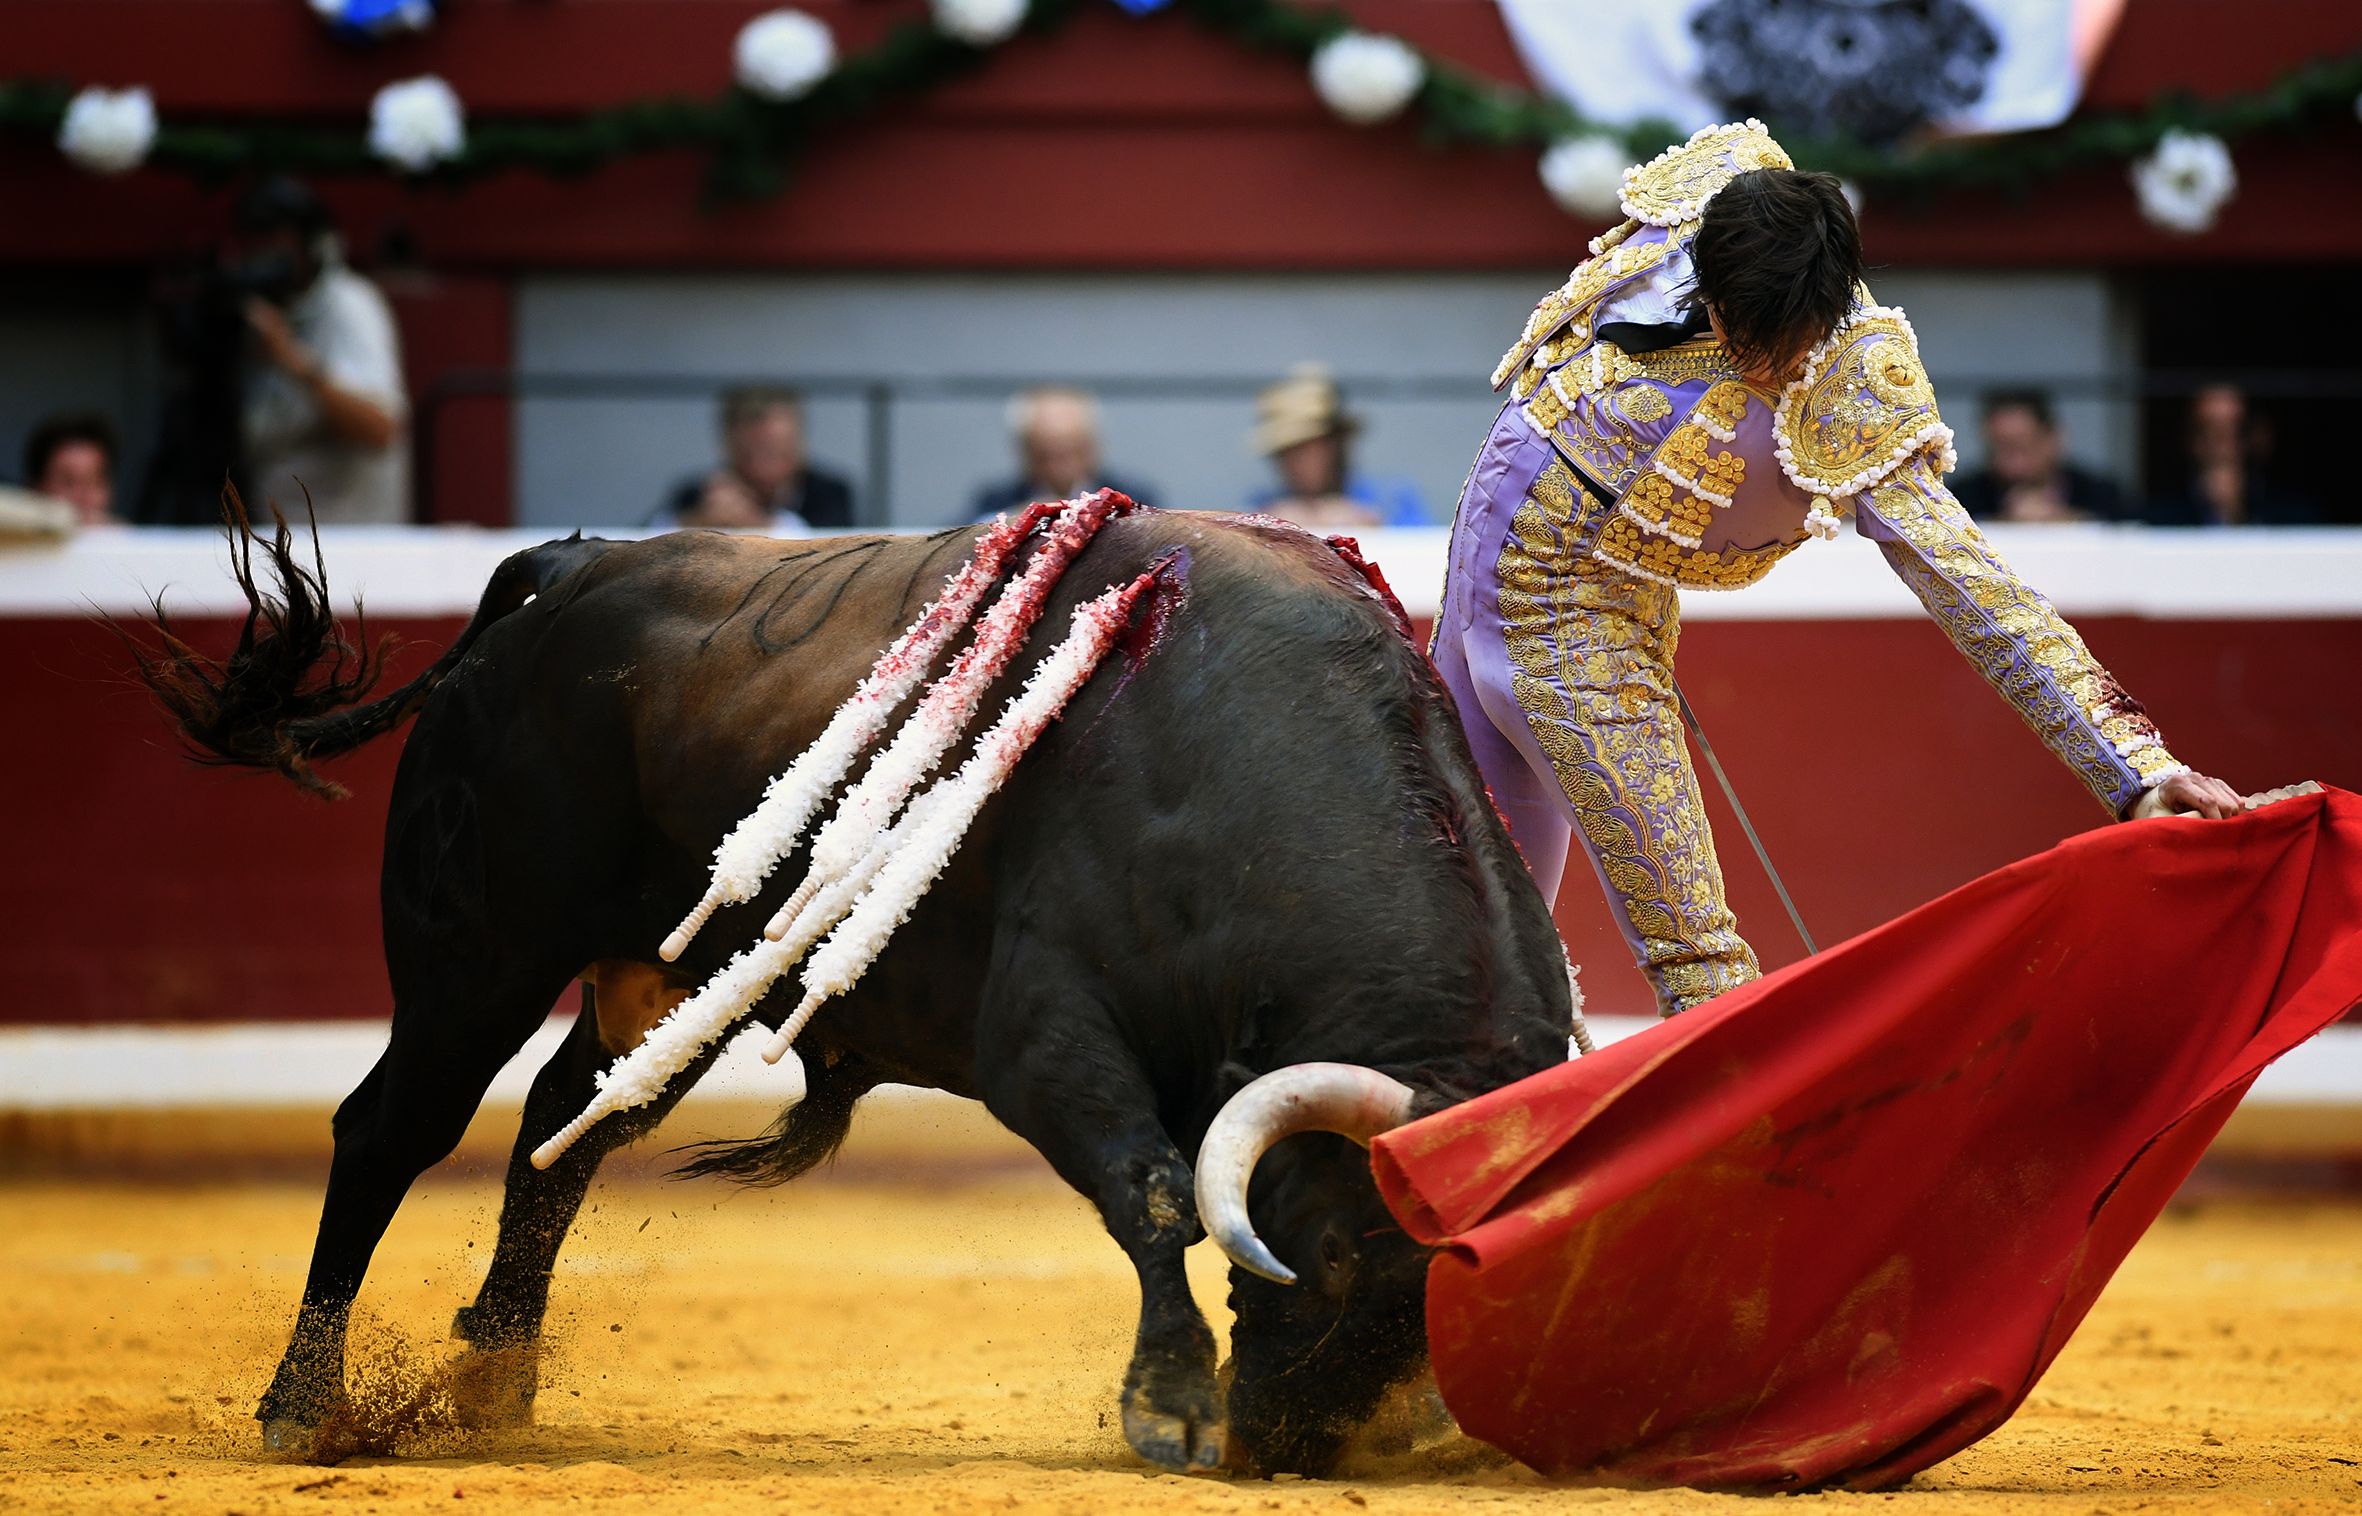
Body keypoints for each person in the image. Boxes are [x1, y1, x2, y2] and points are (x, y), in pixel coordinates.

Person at [1430, 120, 2245, 1018]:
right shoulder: (1728, 192)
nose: (1763, 362)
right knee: (1447, 908)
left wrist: (2133, 767)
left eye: (1785, 341)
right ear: (1708, 281)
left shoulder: (1859, 392)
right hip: (1480, 556)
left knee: (1696, 960)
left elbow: (1977, 589)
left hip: (1585, 621)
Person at [234, 177, 410, 524]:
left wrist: (290, 360)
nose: (262, 258)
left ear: (310, 245)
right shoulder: (260, 314)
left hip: (349, 554)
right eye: (253, 244)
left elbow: (380, 427)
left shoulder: (349, 304)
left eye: (275, 243)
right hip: (281, 549)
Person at [1246, 365, 1428, 528]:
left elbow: (1425, 550)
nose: (1296, 463)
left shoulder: (1393, 500)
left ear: (1337, 444)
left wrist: (1376, 526)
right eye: (1286, 452)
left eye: (1307, 447)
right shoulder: (1261, 508)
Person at [654, 385, 854, 532]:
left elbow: (835, 549)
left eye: (776, 452)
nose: (762, 467)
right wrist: (696, 522)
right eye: (749, 454)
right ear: (728, 447)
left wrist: (759, 524)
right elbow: (641, 539)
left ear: (799, 443)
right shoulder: (698, 494)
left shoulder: (831, 493)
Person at [2144, 384, 2319, 526]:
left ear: (2258, 436)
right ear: (2190, 439)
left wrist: (2236, 513)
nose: (2222, 444)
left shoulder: (2293, 514)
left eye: (2235, 429)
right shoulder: (2159, 516)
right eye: (2209, 430)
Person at [971, 386, 1154, 520]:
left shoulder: (1133, 496)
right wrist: (1008, 520)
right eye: (1046, 455)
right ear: (1025, 451)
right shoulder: (996, 500)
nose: (1059, 468)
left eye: (1072, 452)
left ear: (1092, 446)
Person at [1951, 389, 2128, 523]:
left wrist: (2069, 521)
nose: (2015, 464)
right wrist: (2004, 524)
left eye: (2023, 447)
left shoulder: (2100, 494)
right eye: (2000, 449)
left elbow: (2132, 535)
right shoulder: (1962, 498)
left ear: (2053, 438)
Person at [20, 412, 120, 526]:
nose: (85, 497)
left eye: (95, 482)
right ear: (35, 488)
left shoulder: (127, 537)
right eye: (68, 483)